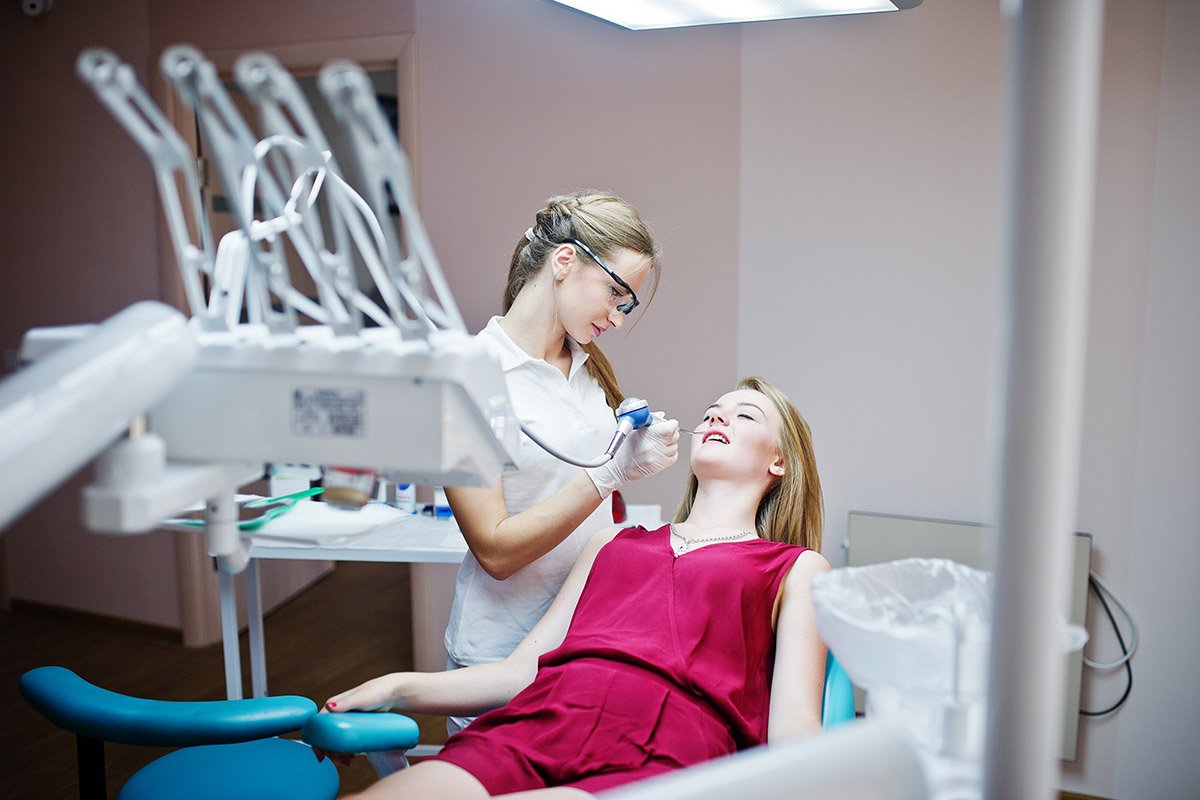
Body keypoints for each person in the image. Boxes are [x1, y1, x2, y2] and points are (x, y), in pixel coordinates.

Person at [323, 376, 831, 798]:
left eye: (744, 415)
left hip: (668, 755)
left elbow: (793, 727)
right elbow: (518, 673)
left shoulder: (795, 568)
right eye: (712, 411)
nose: (718, 417)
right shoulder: (612, 542)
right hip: (540, 722)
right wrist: (396, 687)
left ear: (779, 461)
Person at [440, 191, 679, 732]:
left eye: (627, 306)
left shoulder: (590, 366)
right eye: (615, 294)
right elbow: (495, 550)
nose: (617, 319)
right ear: (565, 261)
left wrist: (629, 451)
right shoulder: (466, 378)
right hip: (500, 654)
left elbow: (580, 499)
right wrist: (607, 474)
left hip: (584, 640)